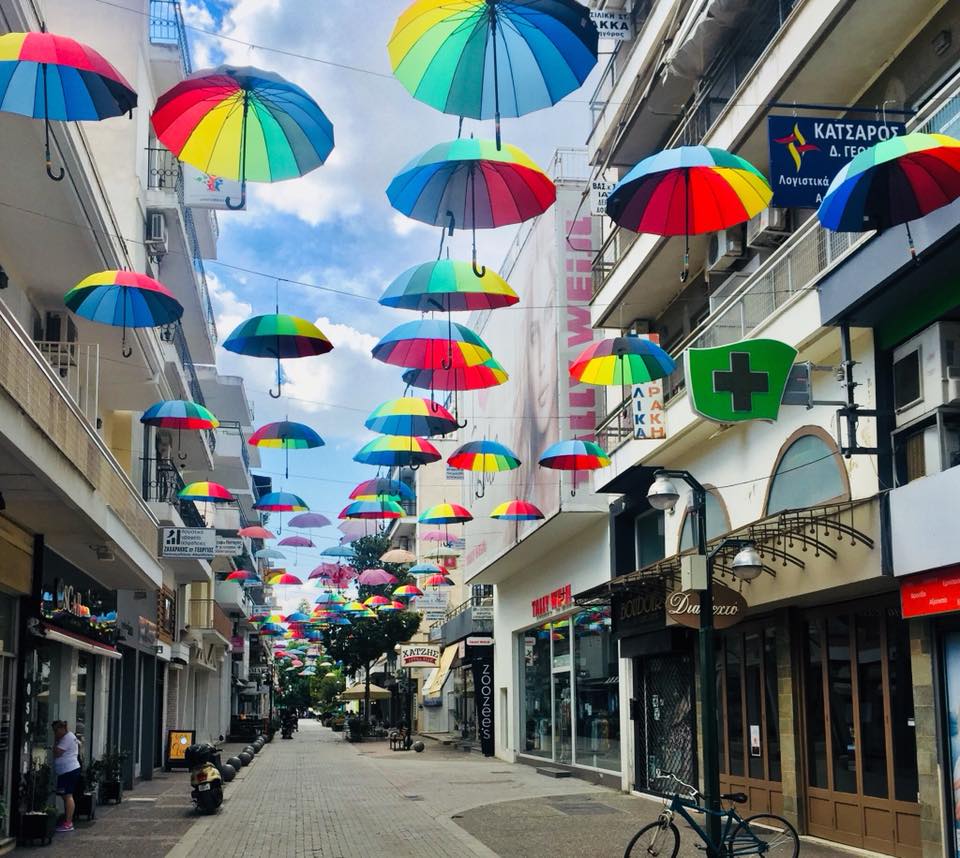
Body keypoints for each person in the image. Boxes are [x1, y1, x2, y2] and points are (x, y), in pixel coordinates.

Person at [51, 720, 81, 833]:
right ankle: (67, 820)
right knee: (65, 796)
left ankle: (68, 823)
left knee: (68, 796)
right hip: (67, 770)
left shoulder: (67, 738)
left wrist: (55, 741)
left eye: (56, 731)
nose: (55, 733)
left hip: (68, 770)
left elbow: (57, 752)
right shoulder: (69, 736)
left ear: (62, 729)